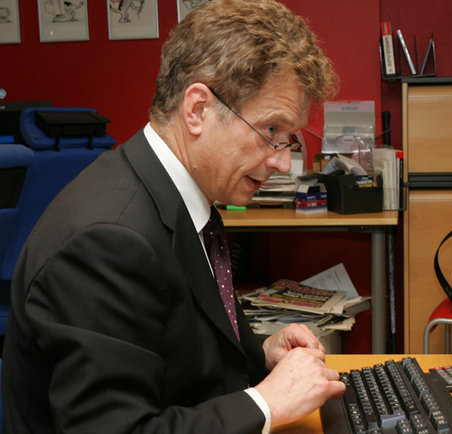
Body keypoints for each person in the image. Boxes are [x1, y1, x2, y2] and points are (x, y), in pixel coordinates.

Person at [1, 0, 345, 432]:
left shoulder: (173, 192)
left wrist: (260, 353)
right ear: (197, 109)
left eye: (288, 138)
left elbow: (176, 346)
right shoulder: (108, 239)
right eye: (271, 130)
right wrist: (266, 403)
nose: (281, 161)